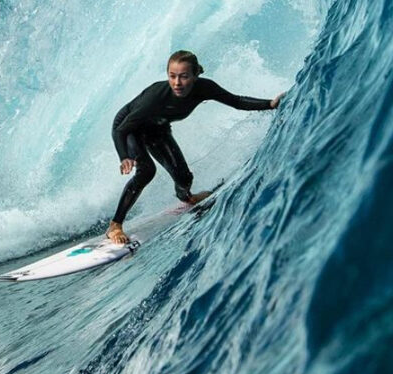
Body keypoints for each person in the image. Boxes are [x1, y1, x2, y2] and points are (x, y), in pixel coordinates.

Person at [106, 50, 284, 245]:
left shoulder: (204, 88)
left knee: (184, 178)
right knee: (147, 170)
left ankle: (187, 198)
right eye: (172, 76)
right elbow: (120, 130)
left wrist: (270, 104)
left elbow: (236, 101)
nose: (177, 83)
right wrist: (124, 157)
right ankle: (115, 225)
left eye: (183, 76)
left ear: (195, 75)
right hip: (130, 128)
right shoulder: (156, 96)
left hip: (158, 128)